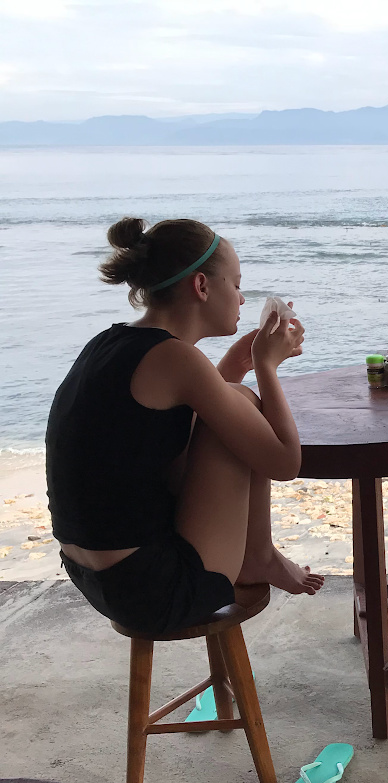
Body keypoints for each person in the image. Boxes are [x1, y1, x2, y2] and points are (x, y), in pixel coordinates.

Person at [47, 217, 324, 636]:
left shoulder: (111, 342)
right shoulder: (177, 358)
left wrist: (233, 366)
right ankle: (259, 555)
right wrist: (266, 366)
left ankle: (257, 555)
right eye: (235, 284)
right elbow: (284, 462)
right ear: (201, 286)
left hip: (98, 579)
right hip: (156, 589)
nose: (242, 298)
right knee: (243, 402)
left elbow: (171, 426)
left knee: (231, 402)